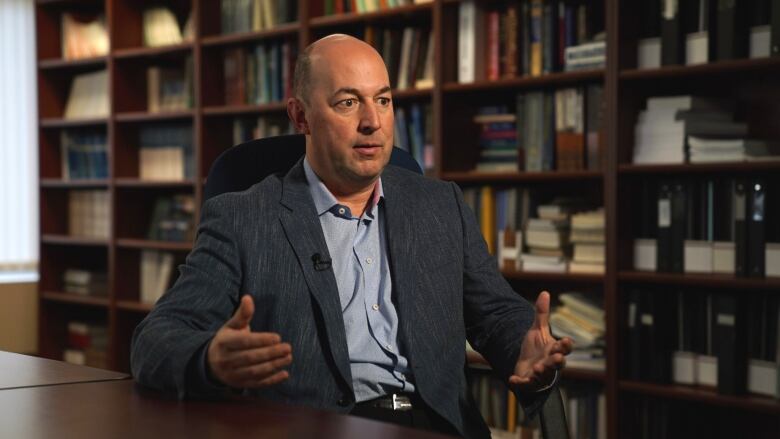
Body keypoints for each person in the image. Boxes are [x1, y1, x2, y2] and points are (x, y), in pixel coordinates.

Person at [131, 34, 572, 439]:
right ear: (301, 116)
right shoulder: (244, 217)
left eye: (382, 100)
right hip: (315, 426)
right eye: (347, 103)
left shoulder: (441, 206)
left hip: (437, 426)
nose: (372, 122)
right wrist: (210, 359)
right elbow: (155, 341)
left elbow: (495, 314)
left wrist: (525, 351)